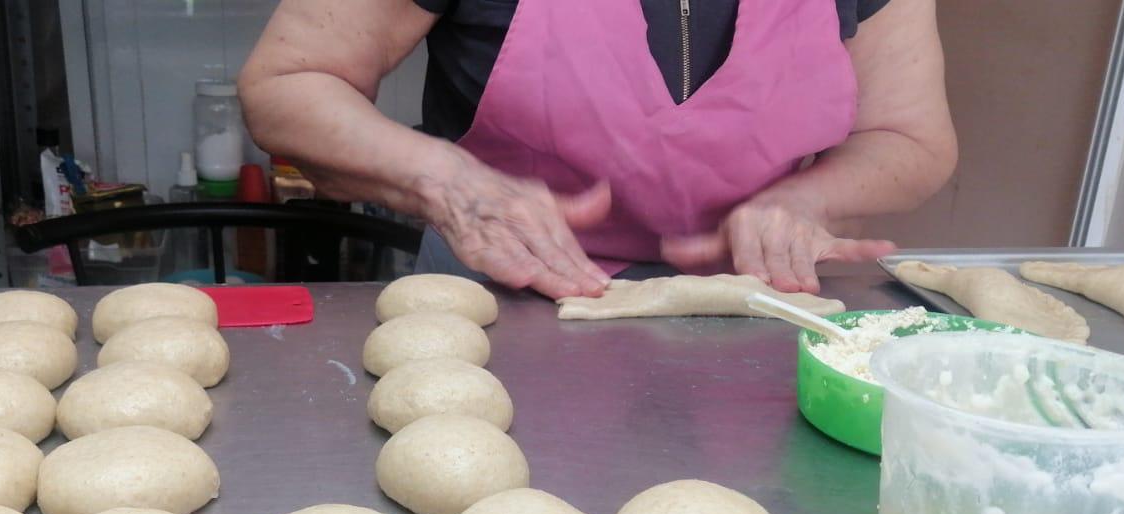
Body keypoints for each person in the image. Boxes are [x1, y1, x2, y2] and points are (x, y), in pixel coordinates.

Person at [240, 0, 956, 299]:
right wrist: (447, 182)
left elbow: (908, 138)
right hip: (502, 290)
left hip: (753, 305)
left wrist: (806, 199)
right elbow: (287, 86)